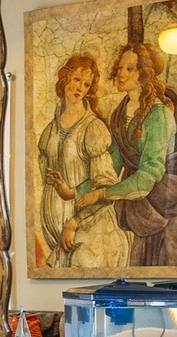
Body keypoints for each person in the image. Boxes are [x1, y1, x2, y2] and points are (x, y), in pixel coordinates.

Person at [78, 32, 177, 269]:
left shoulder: (159, 115)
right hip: (129, 193)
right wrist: (76, 191)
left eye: (130, 69)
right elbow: (112, 166)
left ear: (144, 74)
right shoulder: (119, 114)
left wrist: (100, 195)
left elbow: (148, 176)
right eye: (120, 68)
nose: (121, 73)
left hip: (157, 199)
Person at [34, 53, 123, 272]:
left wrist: (74, 221)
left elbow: (105, 187)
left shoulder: (93, 128)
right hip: (58, 236)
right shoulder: (50, 131)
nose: (80, 88)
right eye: (76, 80)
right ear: (65, 78)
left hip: (90, 234)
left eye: (86, 84)